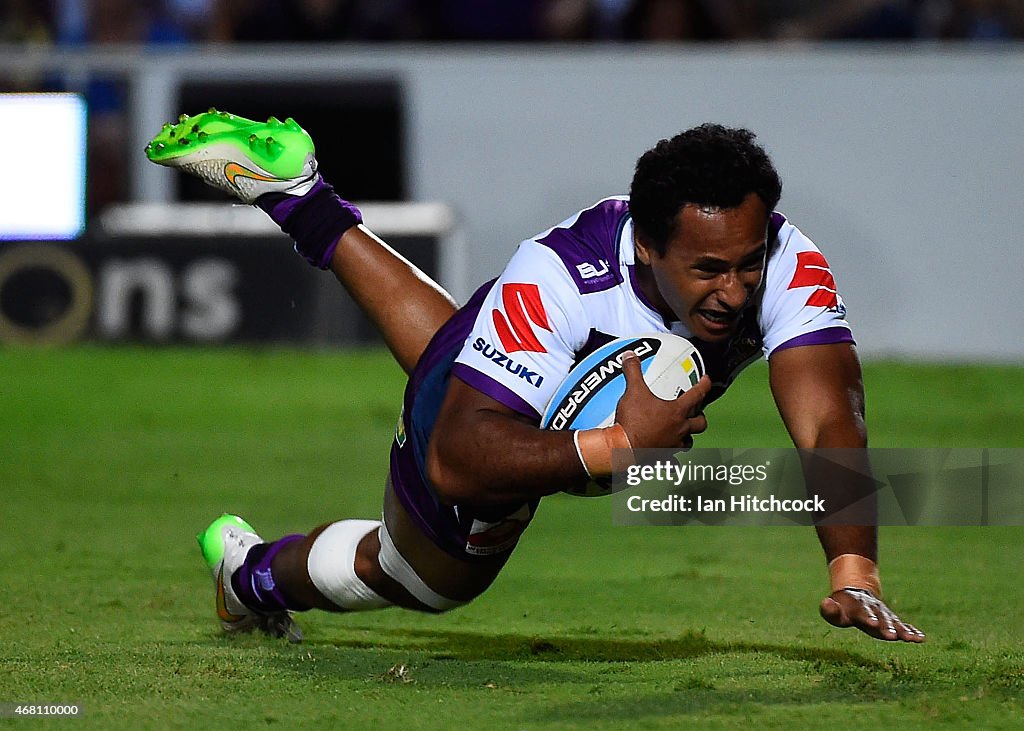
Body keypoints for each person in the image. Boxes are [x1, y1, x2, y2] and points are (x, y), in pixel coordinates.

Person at [146, 110, 925, 644]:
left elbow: (828, 423)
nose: (736, 289)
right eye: (709, 269)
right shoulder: (556, 280)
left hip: (526, 365)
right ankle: (248, 574)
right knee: (424, 576)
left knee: (463, 353)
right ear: (647, 246)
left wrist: (853, 568)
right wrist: (617, 443)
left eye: (749, 261)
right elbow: (457, 457)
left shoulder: (788, 261)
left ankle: (300, 196)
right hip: (485, 413)